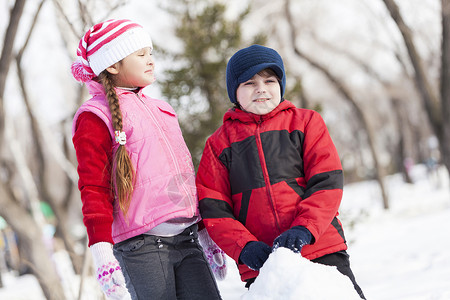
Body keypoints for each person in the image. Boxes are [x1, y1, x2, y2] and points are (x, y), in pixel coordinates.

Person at [71, 19, 225, 300]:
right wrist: (102, 254)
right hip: (142, 247)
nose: (151, 61)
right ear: (113, 65)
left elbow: (185, 179)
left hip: (188, 238)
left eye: (151, 53)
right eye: (140, 54)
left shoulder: (162, 109)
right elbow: (93, 188)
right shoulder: (95, 116)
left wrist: (205, 234)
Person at [196, 44, 365, 299]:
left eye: (269, 80)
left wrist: (304, 228)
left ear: (281, 85)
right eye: (250, 83)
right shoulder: (218, 145)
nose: (261, 88)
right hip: (264, 264)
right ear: (235, 92)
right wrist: (244, 247)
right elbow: (213, 208)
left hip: (319, 247)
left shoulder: (306, 123)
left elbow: (326, 182)